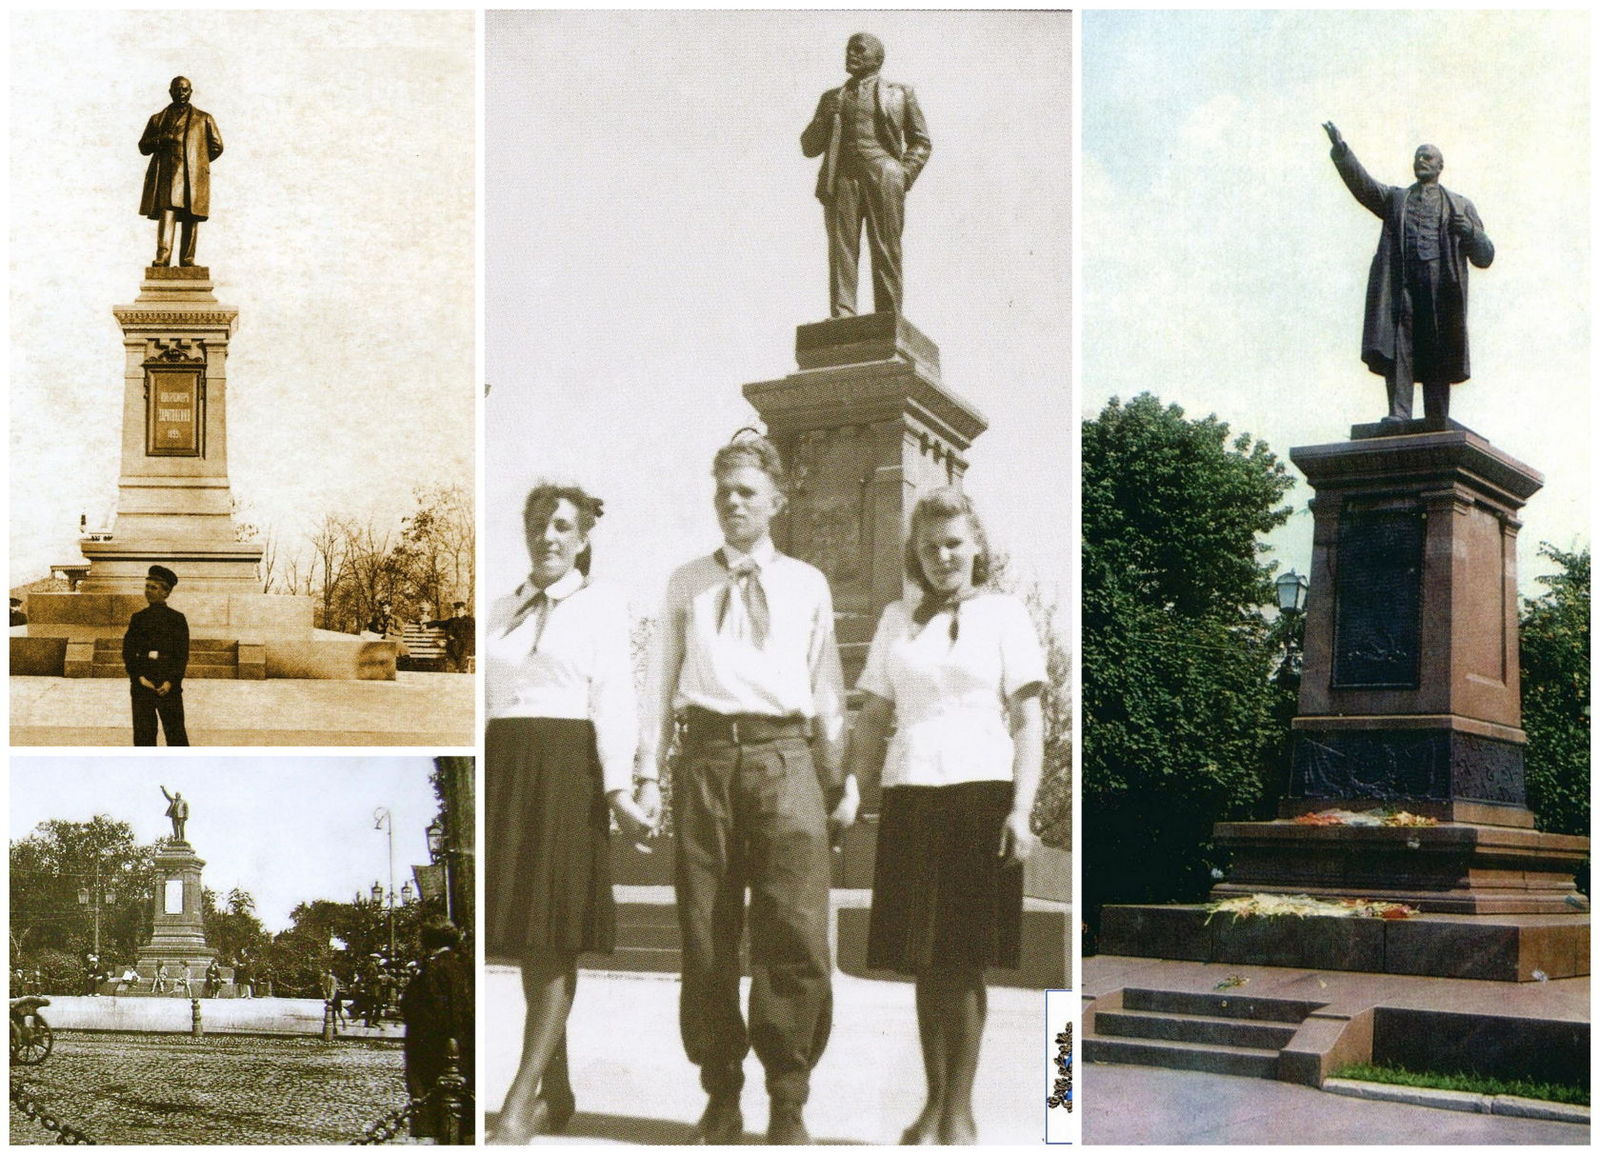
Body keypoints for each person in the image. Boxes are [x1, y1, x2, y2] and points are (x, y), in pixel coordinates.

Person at [643, 434, 849, 1145]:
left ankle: (788, 1096)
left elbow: (827, 690)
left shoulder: (807, 583)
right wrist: (647, 772)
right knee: (706, 935)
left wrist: (839, 775)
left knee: (795, 930)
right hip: (704, 760)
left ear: (777, 502)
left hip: (785, 758)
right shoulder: (684, 582)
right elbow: (658, 683)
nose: (733, 502)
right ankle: (721, 1093)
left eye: (747, 492)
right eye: (724, 490)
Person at [841, 487, 1045, 1145]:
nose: (942, 556)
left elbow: (1028, 719)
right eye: (929, 546)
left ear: (976, 543)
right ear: (915, 553)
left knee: (963, 958)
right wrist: (852, 787)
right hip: (912, 793)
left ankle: (959, 1110)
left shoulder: (1006, 615)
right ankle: (932, 1102)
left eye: (954, 541)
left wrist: (1022, 808)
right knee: (924, 960)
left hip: (981, 793)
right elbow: (872, 717)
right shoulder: (897, 619)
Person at [486, 483, 652, 1143]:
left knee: (552, 937)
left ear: (583, 537)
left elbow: (615, 698)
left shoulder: (603, 604)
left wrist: (621, 790)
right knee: (529, 939)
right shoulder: (502, 607)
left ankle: (520, 1099)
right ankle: (556, 1085)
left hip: (566, 775)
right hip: (506, 772)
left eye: (561, 527)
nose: (546, 537)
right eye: (537, 524)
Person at [1323, 123, 1494, 423]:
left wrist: (1469, 232)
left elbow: (1485, 256)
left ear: (1441, 166)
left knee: (1436, 344)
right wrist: (1342, 152)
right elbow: (1364, 187)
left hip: (1440, 287)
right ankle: (1399, 412)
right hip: (1402, 283)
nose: (1421, 161)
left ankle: (1437, 416)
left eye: (1428, 157)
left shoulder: (1461, 205)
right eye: (1418, 156)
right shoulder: (1396, 200)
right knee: (1399, 342)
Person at [801, 33, 931, 318]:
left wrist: (902, 174)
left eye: (859, 50)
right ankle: (842, 313)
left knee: (886, 246)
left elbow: (921, 142)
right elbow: (808, 147)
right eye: (848, 49)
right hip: (842, 176)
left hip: (883, 172)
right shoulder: (832, 97)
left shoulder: (900, 93)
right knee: (841, 249)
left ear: (878, 59)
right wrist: (824, 119)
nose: (851, 54)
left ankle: (888, 315)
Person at [401, 920, 476, 1142]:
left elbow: (427, 1013)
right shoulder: (465, 965)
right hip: (465, 1051)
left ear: (427, 942)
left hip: (434, 1055)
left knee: (439, 1117)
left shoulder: (432, 970)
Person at [139, 76, 223, 268]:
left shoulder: (204, 118)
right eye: (177, 90)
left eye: (185, 90)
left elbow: (217, 146)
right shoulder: (158, 119)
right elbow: (143, 147)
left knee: (191, 217)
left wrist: (198, 162)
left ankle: (187, 259)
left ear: (191, 92)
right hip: (167, 177)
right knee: (166, 215)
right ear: (170, 92)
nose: (181, 93)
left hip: (193, 178)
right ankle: (163, 258)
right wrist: (160, 139)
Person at [123, 565, 190, 746]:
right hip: (143, 683)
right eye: (147, 586)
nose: (148, 591)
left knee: (176, 735)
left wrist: (171, 682)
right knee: (144, 736)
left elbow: (181, 655)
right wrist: (139, 677)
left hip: (168, 683)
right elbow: (128, 652)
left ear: (166, 593)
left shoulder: (177, 619)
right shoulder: (138, 618)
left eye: (154, 587)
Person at [426, 601, 477, 672]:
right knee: (453, 650)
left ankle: (460, 670)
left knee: (463, 650)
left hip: (467, 646)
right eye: (456, 610)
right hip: (455, 646)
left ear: (465, 611)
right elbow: (439, 623)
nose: (458, 612)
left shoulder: (470, 621)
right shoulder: (452, 621)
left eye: (460, 610)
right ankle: (458, 670)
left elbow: (473, 635)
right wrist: (426, 625)